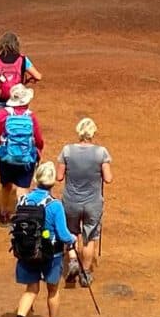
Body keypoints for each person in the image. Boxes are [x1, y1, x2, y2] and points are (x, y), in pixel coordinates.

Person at [5, 158, 76, 317]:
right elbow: (63, 234)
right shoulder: (55, 205)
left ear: (36, 179)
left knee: (32, 288)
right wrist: (73, 239)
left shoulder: (23, 200)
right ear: (52, 182)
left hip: (27, 252)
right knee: (52, 290)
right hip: (51, 255)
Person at [58, 117, 112, 285]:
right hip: (93, 203)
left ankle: (73, 260)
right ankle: (85, 274)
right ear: (93, 132)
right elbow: (108, 178)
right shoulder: (101, 152)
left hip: (71, 201)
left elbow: (59, 177)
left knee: (71, 231)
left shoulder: (67, 151)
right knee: (89, 236)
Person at [0, 83, 43, 223]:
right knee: (22, 187)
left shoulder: (3, 114)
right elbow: (39, 139)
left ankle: (4, 214)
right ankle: (22, 216)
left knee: (6, 185)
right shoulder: (31, 116)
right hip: (26, 157)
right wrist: (39, 151)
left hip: (6, 157)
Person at [0, 32, 38, 109]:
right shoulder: (22, 59)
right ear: (17, 44)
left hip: (0, 102)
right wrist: (26, 81)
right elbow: (37, 76)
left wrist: (0, 82)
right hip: (18, 102)